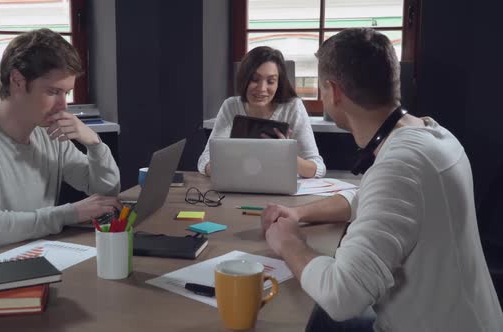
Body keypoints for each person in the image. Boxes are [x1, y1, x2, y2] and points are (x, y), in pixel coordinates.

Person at [262, 28, 503, 331]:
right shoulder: (434, 135)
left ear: (334, 92)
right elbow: (366, 200)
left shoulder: (400, 166)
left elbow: (342, 295)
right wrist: (298, 213)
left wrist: (288, 243)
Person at [0, 28, 121, 260]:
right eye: (53, 92)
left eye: (67, 93)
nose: (63, 106)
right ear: (17, 81)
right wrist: (69, 213)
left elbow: (105, 192)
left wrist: (95, 144)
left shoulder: (47, 134)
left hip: (29, 258)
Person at [197, 46, 326, 178]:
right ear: (244, 79)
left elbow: (318, 168)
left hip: (281, 191)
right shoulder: (231, 106)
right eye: (254, 79)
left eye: (271, 81)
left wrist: (288, 154)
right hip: (238, 187)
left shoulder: (293, 107)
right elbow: (205, 159)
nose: (262, 88)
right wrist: (223, 168)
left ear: (278, 83)